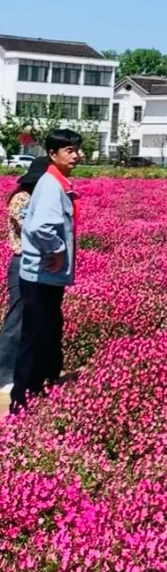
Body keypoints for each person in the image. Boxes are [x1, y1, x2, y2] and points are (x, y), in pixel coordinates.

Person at [10, 130, 83, 412]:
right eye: (68, 150)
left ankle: (38, 389)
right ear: (52, 154)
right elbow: (39, 226)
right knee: (35, 336)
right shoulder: (51, 184)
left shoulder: (55, 182)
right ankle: (21, 400)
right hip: (41, 276)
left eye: (76, 149)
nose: (75, 155)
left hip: (45, 276)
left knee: (46, 334)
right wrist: (57, 250)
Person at [1, 158, 49, 398]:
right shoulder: (22, 198)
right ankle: (5, 374)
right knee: (16, 316)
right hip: (22, 262)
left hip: (41, 264)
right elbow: (32, 227)